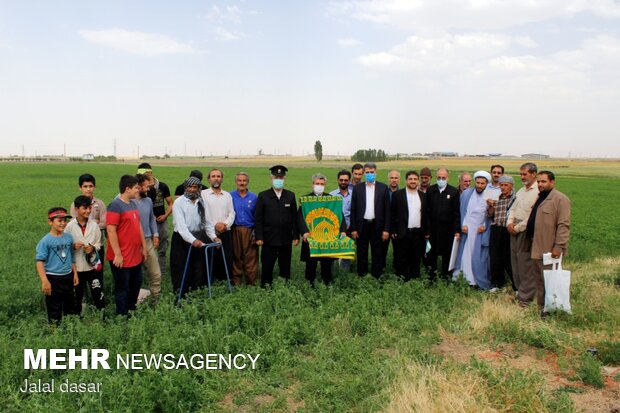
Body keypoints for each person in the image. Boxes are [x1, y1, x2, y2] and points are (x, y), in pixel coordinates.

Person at [528, 171, 571, 312]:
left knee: (550, 281)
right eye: (538, 182)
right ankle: (542, 309)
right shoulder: (540, 198)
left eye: (543, 182)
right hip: (536, 247)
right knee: (539, 281)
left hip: (549, 250)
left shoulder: (561, 200)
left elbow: (563, 225)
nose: (540, 184)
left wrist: (559, 246)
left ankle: (552, 309)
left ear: (552, 182)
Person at [106, 175, 147, 316]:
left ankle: (131, 310)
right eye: (136, 188)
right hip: (121, 257)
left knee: (136, 285)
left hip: (135, 254)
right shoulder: (115, 205)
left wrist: (144, 247)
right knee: (122, 288)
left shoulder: (133, 203)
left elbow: (139, 226)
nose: (139, 190)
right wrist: (117, 254)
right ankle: (122, 316)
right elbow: (110, 230)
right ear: (127, 189)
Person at [171, 177, 218, 296]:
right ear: (185, 187)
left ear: (199, 188)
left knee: (198, 267)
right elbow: (182, 227)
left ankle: (196, 293)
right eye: (189, 187)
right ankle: (181, 295)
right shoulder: (179, 202)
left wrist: (213, 237)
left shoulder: (201, 201)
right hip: (182, 239)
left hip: (198, 236)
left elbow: (207, 222)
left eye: (195, 187)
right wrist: (193, 240)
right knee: (181, 268)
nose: (192, 190)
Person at [255, 165, 299, 286]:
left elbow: (294, 217)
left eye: (281, 177)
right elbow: (258, 218)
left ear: (284, 179)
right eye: (276, 177)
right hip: (269, 239)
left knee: (285, 264)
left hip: (285, 238)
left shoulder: (290, 195)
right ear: (271, 178)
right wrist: (259, 236)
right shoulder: (263, 196)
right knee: (267, 264)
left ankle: (284, 285)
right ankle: (265, 285)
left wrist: (295, 236)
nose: (278, 179)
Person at [299, 173, 346, 285]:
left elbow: (340, 215)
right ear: (312, 185)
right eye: (317, 183)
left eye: (322, 184)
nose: (319, 186)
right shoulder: (306, 199)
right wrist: (304, 232)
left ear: (325, 185)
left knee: (327, 264)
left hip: (327, 239)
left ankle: (327, 284)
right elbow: (300, 218)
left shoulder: (331, 199)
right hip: (311, 238)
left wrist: (343, 230)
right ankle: (309, 285)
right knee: (311, 264)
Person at [35, 208, 79, 325]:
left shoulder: (68, 237)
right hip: (53, 278)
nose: (63, 223)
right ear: (50, 222)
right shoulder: (45, 241)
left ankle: (71, 329)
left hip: (68, 276)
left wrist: (75, 273)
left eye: (64, 220)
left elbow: (71, 256)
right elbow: (39, 261)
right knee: (54, 307)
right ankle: (55, 331)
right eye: (59, 220)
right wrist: (45, 280)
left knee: (70, 304)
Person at [65, 196, 105, 314]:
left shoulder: (94, 226)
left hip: (92, 266)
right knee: (77, 294)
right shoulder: (69, 227)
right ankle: (77, 317)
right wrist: (72, 247)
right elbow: (65, 244)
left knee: (97, 291)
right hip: (76, 268)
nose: (88, 211)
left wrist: (92, 248)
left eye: (89, 208)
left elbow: (99, 243)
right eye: (84, 208)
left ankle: (101, 314)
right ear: (76, 209)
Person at [350, 162, 390, 278]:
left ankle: (376, 275)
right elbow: (353, 210)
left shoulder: (383, 188)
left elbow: (387, 210)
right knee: (362, 251)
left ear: (376, 173)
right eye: (367, 172)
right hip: (362, 225)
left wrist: (386, 229)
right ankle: (362, 274)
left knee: (377, 251)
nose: (369, 174)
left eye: (372, 172)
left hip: (377, 225)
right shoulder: (358, 188)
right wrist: (354, 228)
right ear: (364, 173)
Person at [507, 162, 539, 306]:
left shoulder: (538, 191)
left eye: (524, 174)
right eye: (520, 174)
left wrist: (518, 227)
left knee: (525, 264)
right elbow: (512, 208)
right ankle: (520, 293)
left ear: (533, 174)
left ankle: (526, 298)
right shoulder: (520, 191)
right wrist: (509, 222)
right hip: (514, 228)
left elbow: (533, 216)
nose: (522, 177)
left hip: (525, 231)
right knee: (515, 263)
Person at [453, 171, 492, 289]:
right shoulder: (466, 193)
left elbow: (490, 215)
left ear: (486, 184)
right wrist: (463, 225)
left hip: (480, 229)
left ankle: (475, 280)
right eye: (478, 182)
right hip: (467, 227)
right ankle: (464, 278)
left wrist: (485, 225)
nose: (479, 185)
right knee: (465, 253)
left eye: (482, 183)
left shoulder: (489, 196)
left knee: (478, 255)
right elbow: (462, 210)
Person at [390, 171, 430, 281]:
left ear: (418, 181)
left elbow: (425, 214)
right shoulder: (398, 195)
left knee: (416, 257)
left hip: (418, 232)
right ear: (406, 180)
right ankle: (401, 279)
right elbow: (392, 213)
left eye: (415, 179)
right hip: (403, 231)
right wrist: (392, 229)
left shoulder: (422, 195)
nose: (413, 181)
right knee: (401, 257)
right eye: (410, 179)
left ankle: (414, 279)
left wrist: (427, 232)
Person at [138, 163, 173, 278]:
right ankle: (145, 274)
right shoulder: (138, 188)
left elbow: (170, 204)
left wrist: (165, 215)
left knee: (162, 247)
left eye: (143, 174)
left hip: (161, 221)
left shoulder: (162, 186)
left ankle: (161, 272)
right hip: (145, 222)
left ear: (150, 172)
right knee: (144, 247)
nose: (141, 176)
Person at [426, 168, 461, 281]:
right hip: (433, 229)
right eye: (439, 178)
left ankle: (446, 277)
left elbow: (456, 213)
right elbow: (426, 210)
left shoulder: (453, 192)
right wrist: (427, 230)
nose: (441, 180)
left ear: (447, 178)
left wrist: (457, 230)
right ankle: (432, 277)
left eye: (443, 178)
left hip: (448, 230)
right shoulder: (430, 190)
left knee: (447, 254)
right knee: (432, 254)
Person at [201, 169, 235, 282]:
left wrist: (225, 225)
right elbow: (204, 213)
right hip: (209, 231)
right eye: (213, 176)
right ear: (209, 179)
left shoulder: (227, 195)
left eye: (218, 176)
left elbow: (232, 213)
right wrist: (215, 225)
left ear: (222, 179)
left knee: (226, 256)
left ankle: (225, 279)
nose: (216, 178)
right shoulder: (203, 194)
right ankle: (209, 280)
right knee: (210, 257)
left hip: (225, 230)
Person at [487, 175, 516, 291]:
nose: (503, 187)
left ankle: (516, 285)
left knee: (508, 258)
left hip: (507, 230)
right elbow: (490, 215)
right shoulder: (498, 198)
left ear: (511, 186)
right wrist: (490, 206)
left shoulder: (514, 199)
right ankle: (497, 283)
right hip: (495, 228)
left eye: (506, 185)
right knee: (495, 257)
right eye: (501, 185)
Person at [135, 174, 162, 303]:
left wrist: (155, 234)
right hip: (133, 243)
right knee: (135, 275)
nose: (148, 189)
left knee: (155, 272)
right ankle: (135, 301)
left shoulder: (148, 201)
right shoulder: (124, 201)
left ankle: (156, 299)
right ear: (138, 186)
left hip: (147, 240)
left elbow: (152, 218)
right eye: (146, 187)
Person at [70, 173, 107, 261]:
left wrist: (90, 225)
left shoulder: (100, 204)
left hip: (97, 244)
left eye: (90, 186)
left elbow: (104, 223)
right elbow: (74, 224)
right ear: (80, 188)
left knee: (97, 271)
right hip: (81, 244)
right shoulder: (74, 205)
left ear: (94, 187)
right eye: (85, 186)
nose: (88, 189)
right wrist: (95, 221)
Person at [230, 172, 259, 285]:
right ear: (236, 182)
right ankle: (236, 280)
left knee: (250, 256)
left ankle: (251, 281)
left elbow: (257, 215)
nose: (242, 183)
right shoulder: (230, 196)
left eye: (244, 181)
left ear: (247, 182)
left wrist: (256, 232)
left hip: (249, 229)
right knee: (236, 255)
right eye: (239, 180)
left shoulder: (254, 197)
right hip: (235, 229)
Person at [330, 170, 353, 272]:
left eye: (346, 180)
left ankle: (344, 274)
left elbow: (356, 212)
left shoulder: (354, 194)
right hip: (334, 228)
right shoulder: (331, 195)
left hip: (350, 228)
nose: (343, 182)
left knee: (346, 253)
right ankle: (331, 273)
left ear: (349, 181)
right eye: (341, 180)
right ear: (338, 180)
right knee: (332, 252)